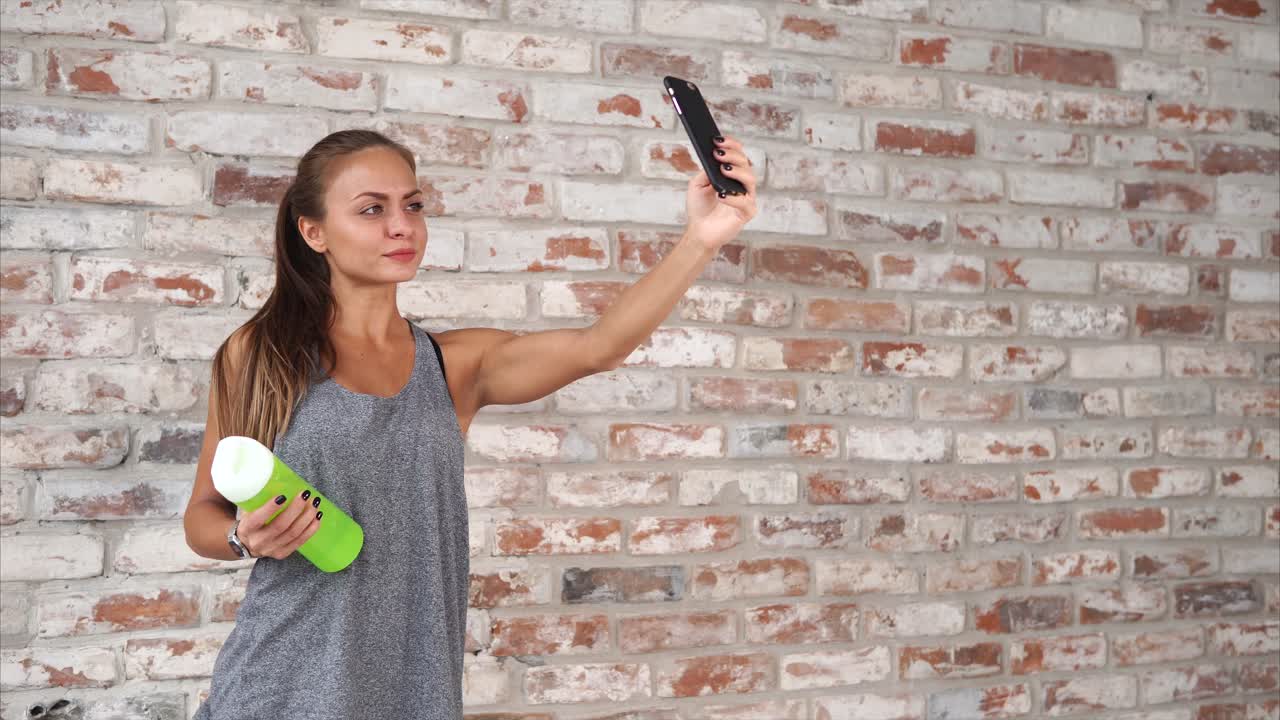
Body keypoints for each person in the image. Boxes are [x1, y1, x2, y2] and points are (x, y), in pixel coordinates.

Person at [184, 128, 757, 719]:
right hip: (278, 689)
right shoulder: (261, 354)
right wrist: (242, 537)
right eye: (371, 210)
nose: (401, 225)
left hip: (414, 694)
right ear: (314, 232)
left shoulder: (453, 366)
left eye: (412, 205)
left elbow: (600, 347)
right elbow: (202, 515)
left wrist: (703, 238)